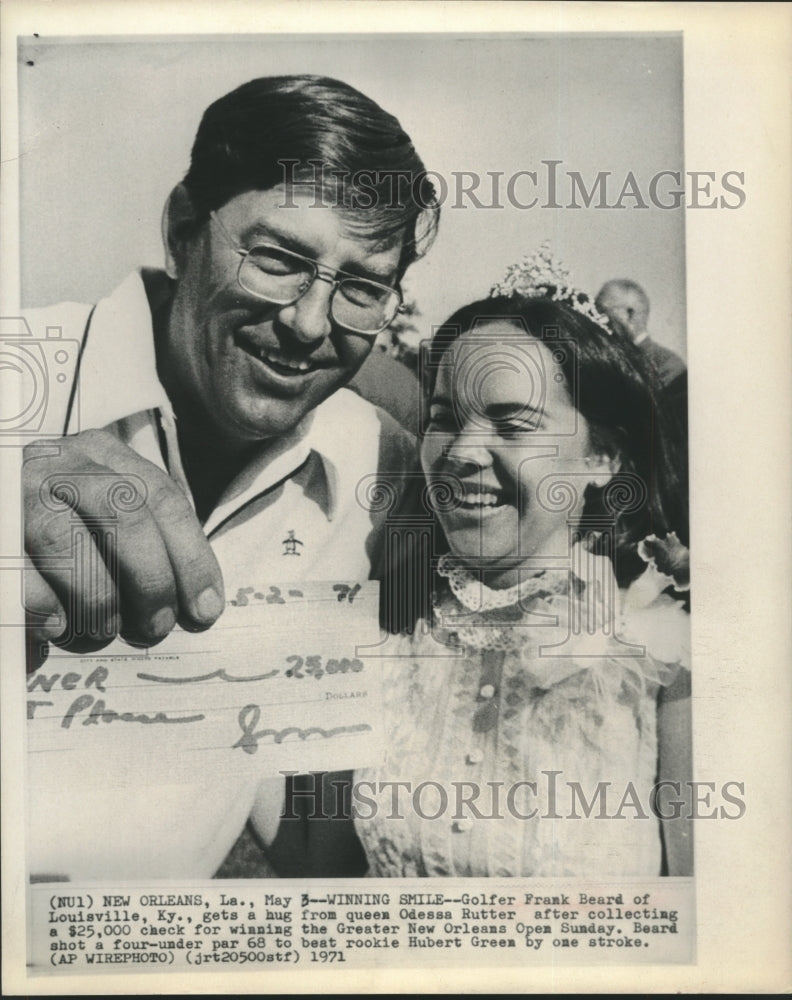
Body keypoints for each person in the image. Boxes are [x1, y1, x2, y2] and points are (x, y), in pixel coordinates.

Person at [22, 74, 439, 879]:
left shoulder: (381, 468)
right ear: (182, 230)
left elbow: (317, 797)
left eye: (361, 288)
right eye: (279, 259)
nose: (310, 324)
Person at [351, 250, 693, 877]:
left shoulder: (664, 656)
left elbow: (718, 933)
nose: (462, 452)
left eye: (513, 425)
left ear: (602, 459)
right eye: (446, 418)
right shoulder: (387, 624)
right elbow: (317, 865)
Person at [595, 278, 686, 386]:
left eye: (602, 311)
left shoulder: (668, 365)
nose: (596, 319)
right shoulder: (604, 361)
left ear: (629, 314)